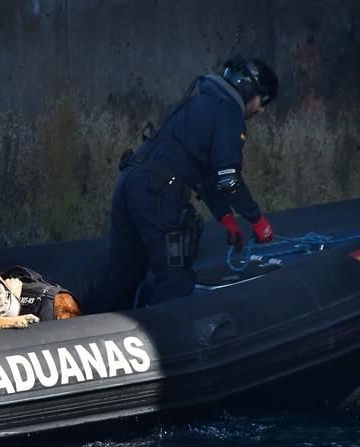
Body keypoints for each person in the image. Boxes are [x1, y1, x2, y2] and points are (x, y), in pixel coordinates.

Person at [84, 54, 278, 313]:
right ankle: (159, 345)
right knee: (175, 281)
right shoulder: (229, 113)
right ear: (248, 90)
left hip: (131, 182)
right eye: (262, 101)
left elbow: (208, 175)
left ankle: (83, 328)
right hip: (158, 194)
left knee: (122, 274)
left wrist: (225, 217)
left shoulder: (199, 102)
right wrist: (257, 220)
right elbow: (228, 177)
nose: (261, 109)